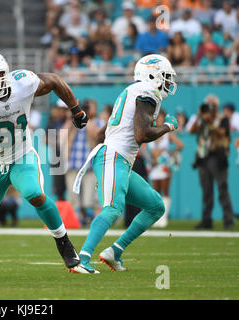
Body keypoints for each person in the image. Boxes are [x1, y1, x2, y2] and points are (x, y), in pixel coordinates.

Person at [0, 50, 88, 278]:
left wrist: (76, 109)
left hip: (22, 156)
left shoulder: (22, 83)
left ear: (7, 72)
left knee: (34, 193)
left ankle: (65, 245)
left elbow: (54, 80)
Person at [70, 54, 179, 274]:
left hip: (117, 160)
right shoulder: (148, 93)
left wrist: (104, 170)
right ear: (152, 75)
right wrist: (168, 126)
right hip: (114, 158)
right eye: (165, 76)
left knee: (156, 206)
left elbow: (103, 133)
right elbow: (142, 134)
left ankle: (114, 251)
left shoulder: (130, 92)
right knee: (112, 209)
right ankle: (81, 259)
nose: (168, 82)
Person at [189, 100, 235, 230]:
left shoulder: (222, 119)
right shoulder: (203, 120)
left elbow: (223, 133)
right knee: (206, 191)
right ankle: (206, 220)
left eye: (213, 106)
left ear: (217, 107)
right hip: (203, 158)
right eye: (208, 106)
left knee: (222, 189)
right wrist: (199, 116)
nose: (211, 109)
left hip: (218, 157)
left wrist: (210, 123)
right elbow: (192, 131)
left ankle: (228, 220)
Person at [148, 110, 184, 228]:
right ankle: (157, 218)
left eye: (161, 118)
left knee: (165, 191)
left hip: (164, 166)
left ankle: (164, 218)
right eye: (157, 118)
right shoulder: (152, 132)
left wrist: (169, 153)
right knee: (156, 192)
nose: (159, 120)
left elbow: (180, 145)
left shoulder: (167, 134)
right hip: (154, 166)